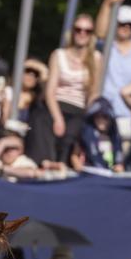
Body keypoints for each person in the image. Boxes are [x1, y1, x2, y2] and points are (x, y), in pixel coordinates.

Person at [44, 15, 101, 160]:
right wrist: (58, 118)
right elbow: (50, 91)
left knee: (73, 132)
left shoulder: (96, 58)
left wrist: (88, 114)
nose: (82, 33)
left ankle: (63, 165)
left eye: (87, 31)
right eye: (78, 29)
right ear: (73, 32)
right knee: (42, 123)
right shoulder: (58, 55)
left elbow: (94, 92)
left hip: (79, 108)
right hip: (58, 104)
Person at [95, 0, 131, 129]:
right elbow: (100, 32)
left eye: (130, 25)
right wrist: (107, 3)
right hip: (102, 112)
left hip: (126, 116)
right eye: (122, 23)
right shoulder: (106, 45)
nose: (126, 28)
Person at [80, 97, 124, 171]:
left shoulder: (115, 137)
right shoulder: (85, 135)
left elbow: (119, 160)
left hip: (110, 177)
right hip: (91, 175)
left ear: (110, 119)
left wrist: (118, 166)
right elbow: (74, 155)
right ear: (93, 118)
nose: (101, 120)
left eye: (105, 117)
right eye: (98, 116)